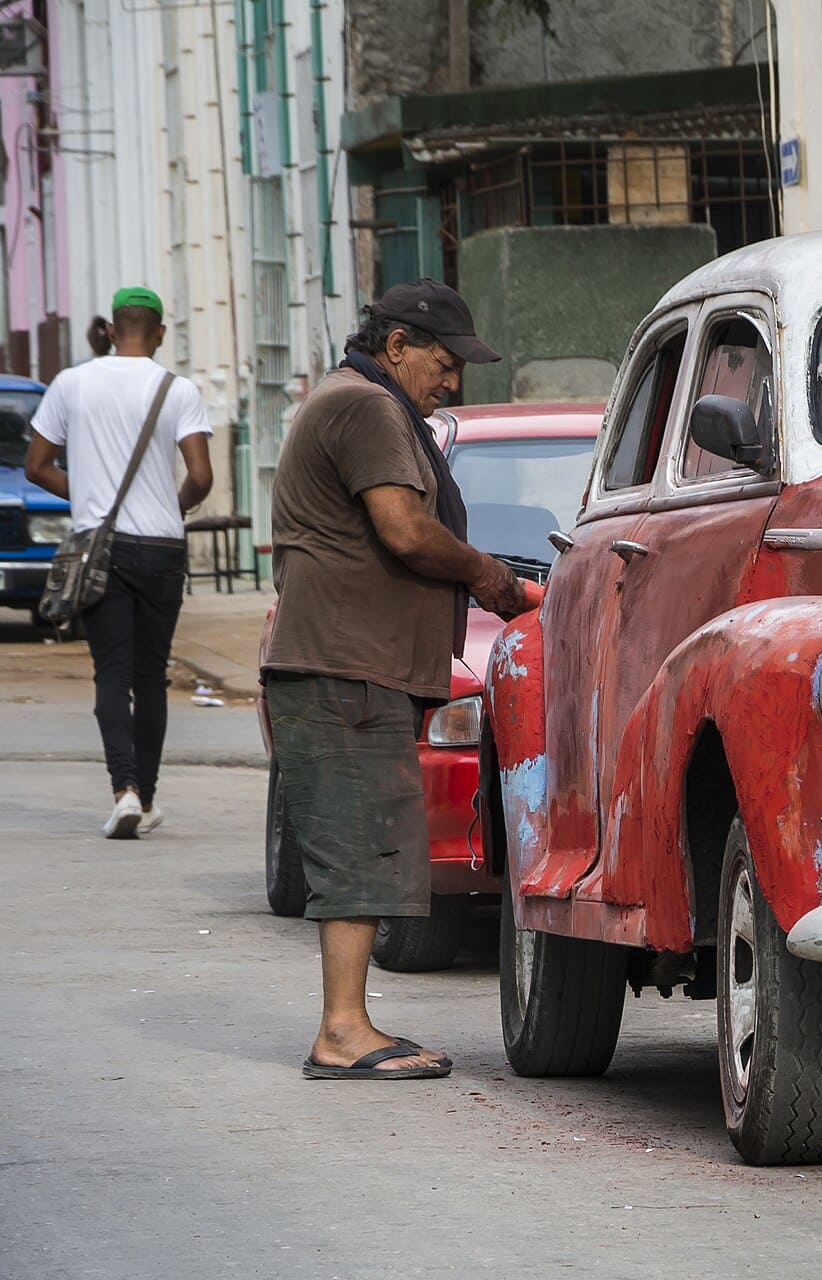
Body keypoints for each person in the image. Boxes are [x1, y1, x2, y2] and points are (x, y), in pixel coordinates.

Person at [262, 278, 525, 1081]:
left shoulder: (368, 402)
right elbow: (407, 531)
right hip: (342, 667)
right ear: (397, 345)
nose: (452, 381)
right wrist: (487, 576)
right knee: (356, 849)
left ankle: (351, 1023)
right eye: (443, 363)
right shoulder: (366, 408)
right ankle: (341, 1032)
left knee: (369, 842)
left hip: (355, 666)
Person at [25, 287, 215, 838]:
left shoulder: (71, 383)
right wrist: (166, 506)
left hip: (99, 547)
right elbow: (201, 477)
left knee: (110, 672)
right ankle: (148, 798)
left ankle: (124, 790)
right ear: (159, 332)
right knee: (150, 675)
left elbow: (37, 466)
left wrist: (91, 499)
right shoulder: (177, 390)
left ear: (111, 328)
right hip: (161, 547)